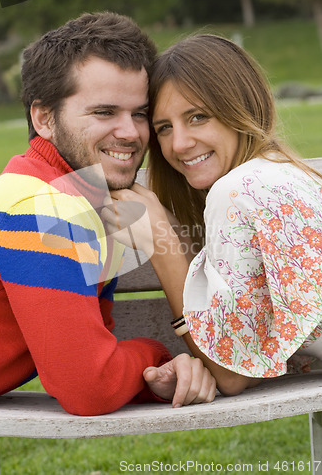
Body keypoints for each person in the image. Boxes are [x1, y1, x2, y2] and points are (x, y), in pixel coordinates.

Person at [0, 13, 216, 416]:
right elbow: (89, 387)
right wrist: (155, 354)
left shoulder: (87, 197)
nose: (130, 133)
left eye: (140, 113)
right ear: (43, 118)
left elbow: (97, 356)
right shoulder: (37, 204)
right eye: (104, 112)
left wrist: (153, 377)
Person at [103, 33, 322, 396]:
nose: (179, 144)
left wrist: (159, 241)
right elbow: (252, 354)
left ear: (242, 108)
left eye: (198, 116)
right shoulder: (279, 172)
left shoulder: (234, 191)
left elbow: (231, 376)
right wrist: (173, 231)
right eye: (164, 128)